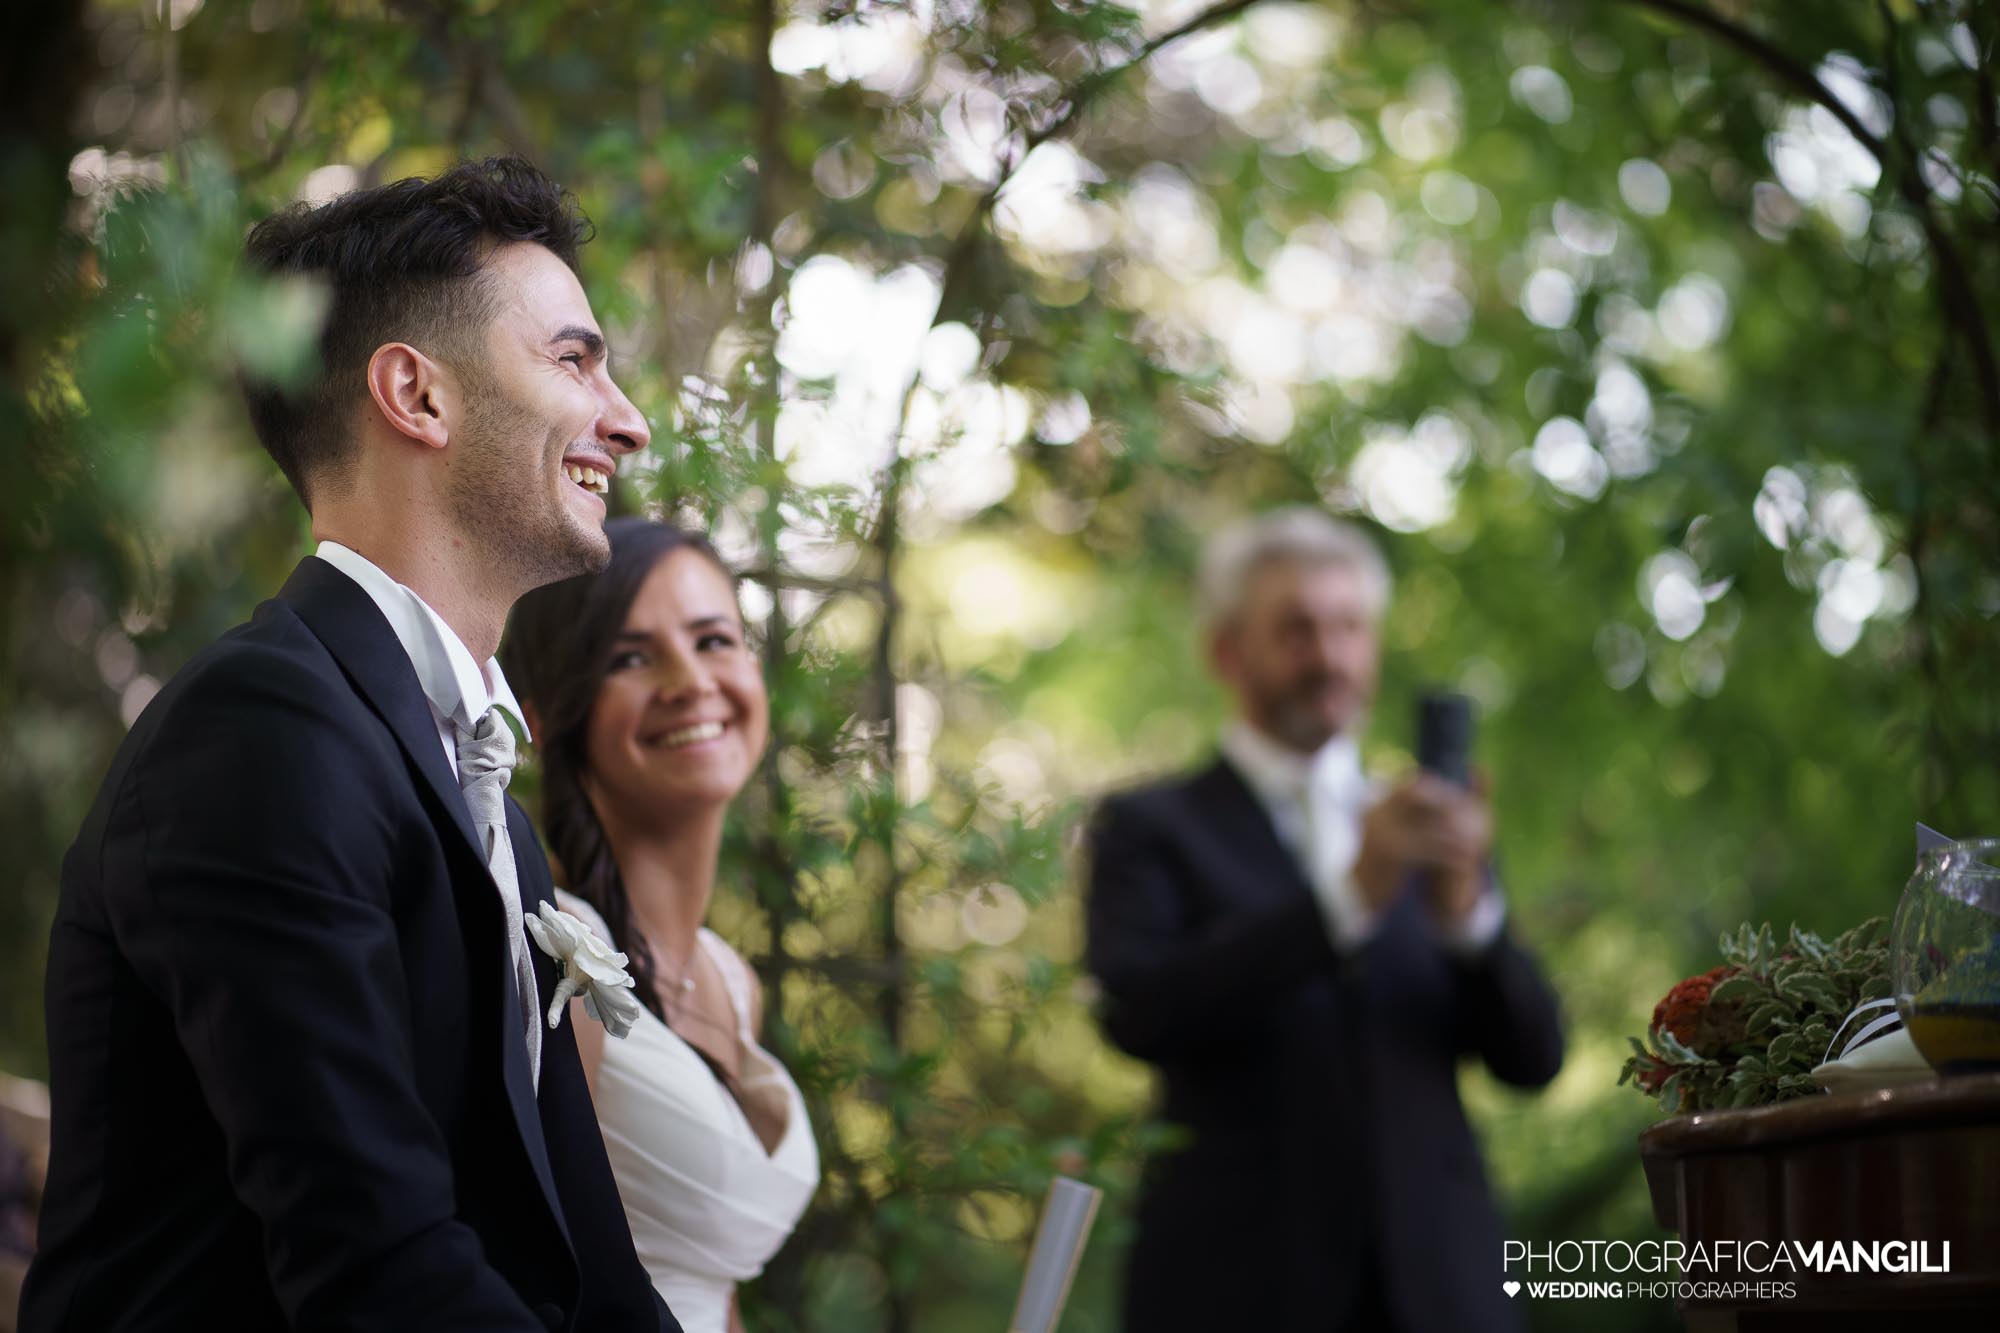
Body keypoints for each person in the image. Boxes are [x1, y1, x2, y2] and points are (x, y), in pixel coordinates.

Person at [22, 159, 680, 1332]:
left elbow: (595, 1269)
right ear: (415, 396)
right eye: (573, 361)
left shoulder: (484, 801)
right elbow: (376, 1269)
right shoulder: (261, 735)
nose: (624, 419)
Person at [1085, 507, 1564, 1333]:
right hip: (1235, 1290)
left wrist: (1469, 922)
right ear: (1227, 649)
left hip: (1443, 1289)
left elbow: (1533, 1058)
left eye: (1349, 627)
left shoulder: (1425, 824)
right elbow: (1138, 1010)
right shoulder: (1149, 826)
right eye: (1298, 628)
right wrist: (1349, 897)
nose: (1331, 655)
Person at [504, 519, 819, 1333]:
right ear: (545, 716)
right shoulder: (558, 962)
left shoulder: (728, 978)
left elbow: (714, 1294)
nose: (690, 680)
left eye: (714, 639)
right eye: (631, 657)